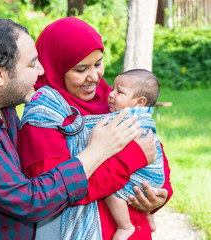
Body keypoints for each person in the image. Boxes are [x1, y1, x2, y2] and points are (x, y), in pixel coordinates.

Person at [0, 18, 144, 240]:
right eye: (32, 64)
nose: (42, 71)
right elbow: (30, 201)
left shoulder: (0, 102)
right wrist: (97, 152)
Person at [17, 17, 173, 240]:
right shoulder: (44, 116)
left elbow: (151, 144)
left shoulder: (106, 96)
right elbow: (52, 191)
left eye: (98, 64)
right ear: (56, 66)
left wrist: (161, 194)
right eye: (81, 69)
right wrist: (130, 159)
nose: (94, 77)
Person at [104, 69, 165, 240]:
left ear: (139, 102)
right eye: (113, 89)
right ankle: (149, 218)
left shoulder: (124, 119)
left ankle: (124, 226)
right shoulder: (145, 117)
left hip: (145, 177)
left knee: (110, 188)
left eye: (119, 91)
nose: (111, 94)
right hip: (156, 179)